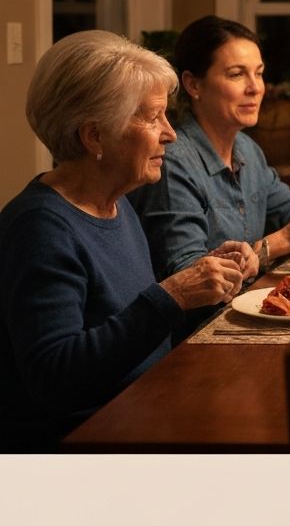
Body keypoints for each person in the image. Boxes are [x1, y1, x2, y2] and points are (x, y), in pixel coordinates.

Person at [0, 31, 245, 451]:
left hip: (146, 409)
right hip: (84, 447)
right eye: (152, 118)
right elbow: (56, 378)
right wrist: (173, 295)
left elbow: (135, 331)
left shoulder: (115, 204)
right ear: (94, 136)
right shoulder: (39, 228)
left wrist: (206, 285)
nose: (170, 134)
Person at [130, 15, 290, 282]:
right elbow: (188, 278)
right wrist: (277, 243)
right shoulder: (172, 162)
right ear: (193, 85)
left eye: (259, 73)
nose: (255, 88)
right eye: (236, 74)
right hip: (211, 311)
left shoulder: (248, 150)